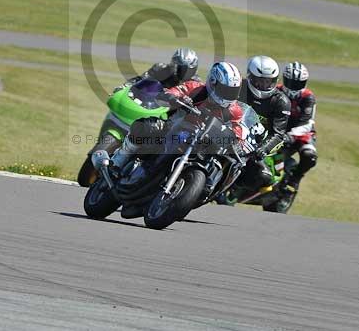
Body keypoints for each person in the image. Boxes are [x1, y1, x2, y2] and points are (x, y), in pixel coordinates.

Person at [111, 61, 246, 217]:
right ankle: (119, 160)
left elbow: (238, 130)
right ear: (213, 83)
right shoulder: (195, 88)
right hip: (175, 129)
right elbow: (173, 92)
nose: (228, 95)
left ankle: (179, 194)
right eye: (225, 90)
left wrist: (239, 143)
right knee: (148, 126)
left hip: (203, 142)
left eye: (232, 91)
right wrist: (175, 98)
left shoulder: (235, 110)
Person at [77, 48, 199, 187]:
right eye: (177, 65)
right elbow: (140, 81)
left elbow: (197, 105)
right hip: (150, 107)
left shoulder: (195, 84)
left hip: (169, 120)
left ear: (192, 69)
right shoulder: (160, 69)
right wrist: (125, 87)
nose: (179, 71)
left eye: (183, 68)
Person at [236, 56, 291, 189]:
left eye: (268, 82)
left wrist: (264, 148)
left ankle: (234, 189)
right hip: (228, 132)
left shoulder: (281, 102)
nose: (264, 85)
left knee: (264, 176)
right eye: (260, 81)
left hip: (253, 144)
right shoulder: (238, 87)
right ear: (250, 77)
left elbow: (278, 134)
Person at [275, 61, 318, 212]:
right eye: (291, 82)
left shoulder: (308, 97)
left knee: (309, 156)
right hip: (279, 131)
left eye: (298, 83)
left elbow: (308, 123)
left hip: (301, 134)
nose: (294, 86)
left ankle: (294, 181)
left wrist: (292, 135)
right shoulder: (277, 91)